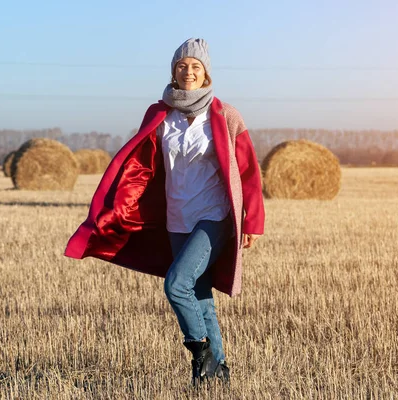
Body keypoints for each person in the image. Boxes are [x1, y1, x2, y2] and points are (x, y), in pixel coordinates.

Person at [64, 38, 265, 386]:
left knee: (177, 284)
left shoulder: (225, 114)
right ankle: (216, 373)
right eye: (182, 66)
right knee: (199, 296)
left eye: (196, 67)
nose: (188, 72)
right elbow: (140, 163)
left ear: (206, 74)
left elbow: (248, 170)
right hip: (177, 217)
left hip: (214, 215)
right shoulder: (159, 114)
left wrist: (252, 222)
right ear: (174, 71)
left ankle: (199, 351)